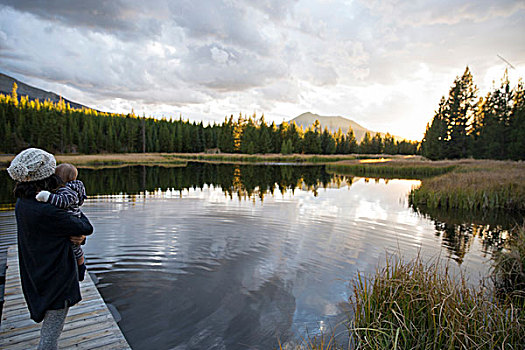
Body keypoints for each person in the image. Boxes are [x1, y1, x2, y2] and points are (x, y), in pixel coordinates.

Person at [7, 148, 94, 350]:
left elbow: (61, 231)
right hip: (56, 279)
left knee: (49, 330)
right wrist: (78, 230)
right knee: (49, 338)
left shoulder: (23, 203)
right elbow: (85, 227)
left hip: (35, 273)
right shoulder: (50, 211)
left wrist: (77, 237)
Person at [36, 163, 88, 281]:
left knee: (75, 249)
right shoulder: (74, 188)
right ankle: (79, 267)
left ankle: (80, 268)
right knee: (76, 249)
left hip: (70, 221)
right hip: (73, 220)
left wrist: (47, 197)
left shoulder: (67, 190)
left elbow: (62, 202)